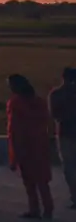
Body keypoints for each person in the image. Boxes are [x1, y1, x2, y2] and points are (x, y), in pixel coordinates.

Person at [7, 74, 54, 220]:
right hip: (40, 145)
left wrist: (15, 154)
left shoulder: (15, 103)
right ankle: (47, 209)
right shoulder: (39, 102)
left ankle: (35, 209)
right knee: (42, 180)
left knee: (29, 181)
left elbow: (14, 128)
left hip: (25, 147)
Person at [47, 67, 76, 209]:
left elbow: (54, 115)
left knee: (69, 167)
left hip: (65, 133)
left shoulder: (56, 94)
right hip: (68, 133)